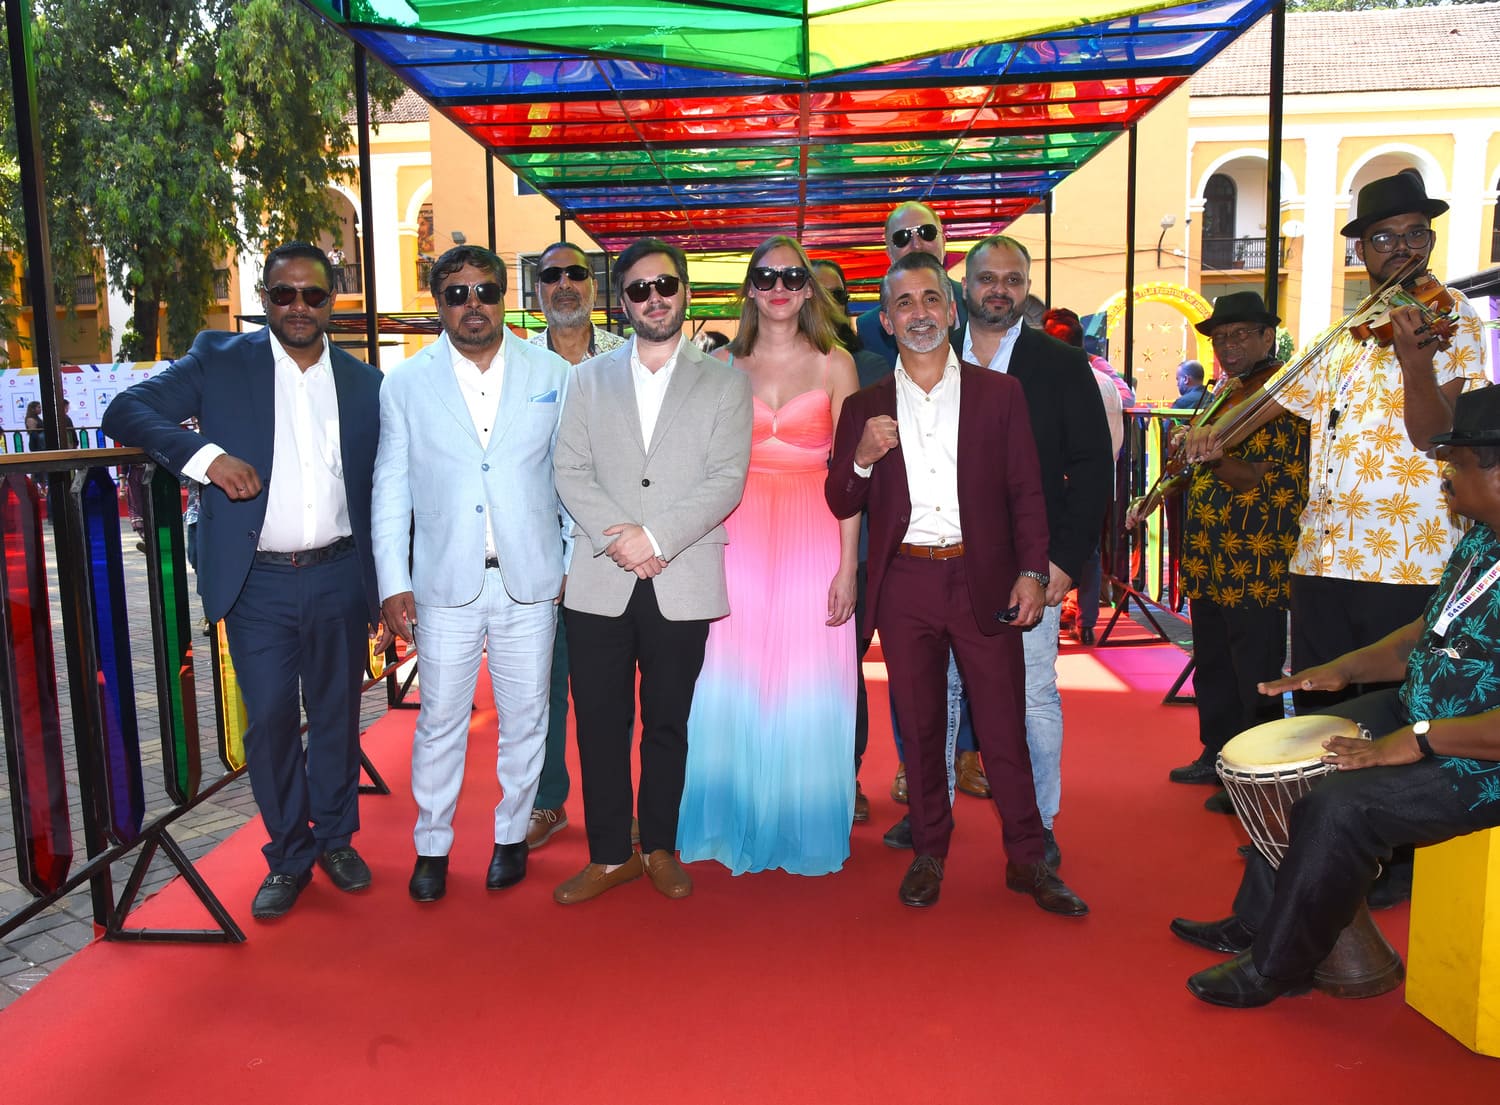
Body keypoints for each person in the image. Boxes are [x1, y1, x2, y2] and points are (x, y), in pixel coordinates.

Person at [1182, 172, 1490, 899]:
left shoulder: (1455, 320)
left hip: (1407, 560)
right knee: (1325, 724)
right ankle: (1319, 854)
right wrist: (1213, 437)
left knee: (1402, 719)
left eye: (1416, 235)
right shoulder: (1347, 333)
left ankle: (1393, 868)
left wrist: (1415, 362)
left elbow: (1437, 435)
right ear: (1362, 251)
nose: (1403, 249)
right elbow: (1273, 399)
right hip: (1323, 553)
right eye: (1384, 237)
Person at [1174, 385, 1500, 1008]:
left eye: (1457, 464)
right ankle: (1260, 920)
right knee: (1286, 754)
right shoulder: (1482, 538)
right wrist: (1340, 670)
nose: (1445, 477)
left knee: (1336, 805)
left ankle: (1278, 967)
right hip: (1421, 712)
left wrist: (1417, 741)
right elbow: (1422, 634)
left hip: (1478, 760)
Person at [102, 241, 385, 921]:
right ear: (265, 299)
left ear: (332, 301)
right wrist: (206, 457)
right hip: (258, 583)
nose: (298, 306)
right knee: (271, 723)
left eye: (313, 294)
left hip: (342, 573)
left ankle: (336, 840)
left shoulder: (366, 382)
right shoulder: (220, 358)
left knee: (338, 717)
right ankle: (289, 854)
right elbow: (125, 410)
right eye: (284, 294)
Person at [825, 250, 1088, 915]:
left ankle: (1028, 858)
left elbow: (1027, 490)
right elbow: (839, 497)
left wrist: (1033, 571)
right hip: (906, 583)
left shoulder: (999, 394)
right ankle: (929, 851)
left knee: (1002, 725)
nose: (919, 313)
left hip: (985, 578)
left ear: (950, 310)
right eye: (904, 303)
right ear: (886, 321)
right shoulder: (863, 406)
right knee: (919, 727)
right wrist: (862, 458)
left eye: (930, 299)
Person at [883, 237, 1114, 868]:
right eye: (987, 278)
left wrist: (1061, 562)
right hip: (942, 564)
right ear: (964, 288)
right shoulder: (930, 349)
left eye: (1013, 280)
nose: (999, 290)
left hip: (1028, 569)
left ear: (1027, 287)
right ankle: (931, 814)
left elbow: (1092, 468)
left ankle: (1041, 823)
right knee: (938, 698)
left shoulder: (1062, 365)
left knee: (1032, 696)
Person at [551, 237, 752, 904]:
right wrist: (624, 542)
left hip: (682, 574)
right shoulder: (587, 380)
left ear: (685, 292)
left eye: (665, 285)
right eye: (639, 289)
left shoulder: (725, 381)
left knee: (668, 722)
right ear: (624, 302)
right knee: (599, 724)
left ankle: (660, 845)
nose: (654, 298)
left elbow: (726, 479)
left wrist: (656, 537)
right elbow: (569, 469)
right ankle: (610, 855)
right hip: (600, 580)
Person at [374, 244, 572, 903]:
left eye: (485, 290)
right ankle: (432, 845)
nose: (473, 304)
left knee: (527, 717)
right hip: (443, 583)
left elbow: (570, 475)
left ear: (503, 296)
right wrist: (392, 580)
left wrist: (569, 560)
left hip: (531, 580)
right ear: (438, 303)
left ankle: (511, 836)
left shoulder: (551, 372)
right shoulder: (405, 383)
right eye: (457, 294)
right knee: (439, 720)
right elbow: (389, 487)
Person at [677, 235, 860, 875]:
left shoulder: (837, 364)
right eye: (766, 276)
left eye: (792, 276)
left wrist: (848, 566)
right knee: (732, 671)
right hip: (739, 530)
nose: (779, 287)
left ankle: (798, 818)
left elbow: (851, 472)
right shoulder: (722, 364)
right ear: (750, 289)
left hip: (817, 526)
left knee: (809, 673)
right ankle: (731, 814)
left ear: (808, 289)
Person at [1143, 293, 1309, 791]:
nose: (1228, 345)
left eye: (1240, 335)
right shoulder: (1226, 392)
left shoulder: (1284, 397)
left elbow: (1258, 478)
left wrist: (1214, 457)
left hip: (1253, 556)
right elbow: (1194, 464)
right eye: (1219, 338)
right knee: (1212, 659)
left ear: (1267, 336)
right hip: (1208, 554)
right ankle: (1215, 753)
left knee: (1253, 667)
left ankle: (1253, 772)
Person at [523, 241, 627, 853]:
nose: (564, 283)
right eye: (551, 275)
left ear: (594, 285)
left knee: (613, 692)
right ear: (538, 288)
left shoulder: (626, 356)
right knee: (543, 685)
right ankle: (546, 800)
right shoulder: (516, 363)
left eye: (576, 273)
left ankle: (621, 806)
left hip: (611, 549)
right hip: (539, 554)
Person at [813, 256, 888, 821]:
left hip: (855, 545)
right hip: (782, 541)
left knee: (843, 667)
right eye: (813, 290)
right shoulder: (771, 363)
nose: (823, 301)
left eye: (835, 293)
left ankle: (846, 773)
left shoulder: (870, 366)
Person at [1044, 306, 1128, 646]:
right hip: (1099, 478)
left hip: (1064, 479)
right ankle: (1086, 619)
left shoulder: (1060, 380)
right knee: (1088, 552)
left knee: (1052, 549)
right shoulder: (1107, 382)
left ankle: (1054, 620)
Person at [853, 202, 967, 371]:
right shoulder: (869, 327)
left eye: (927, 232)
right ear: (889, 253)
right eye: (902, 238)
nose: (917, 245)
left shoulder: (976, 305)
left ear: (943, 241)